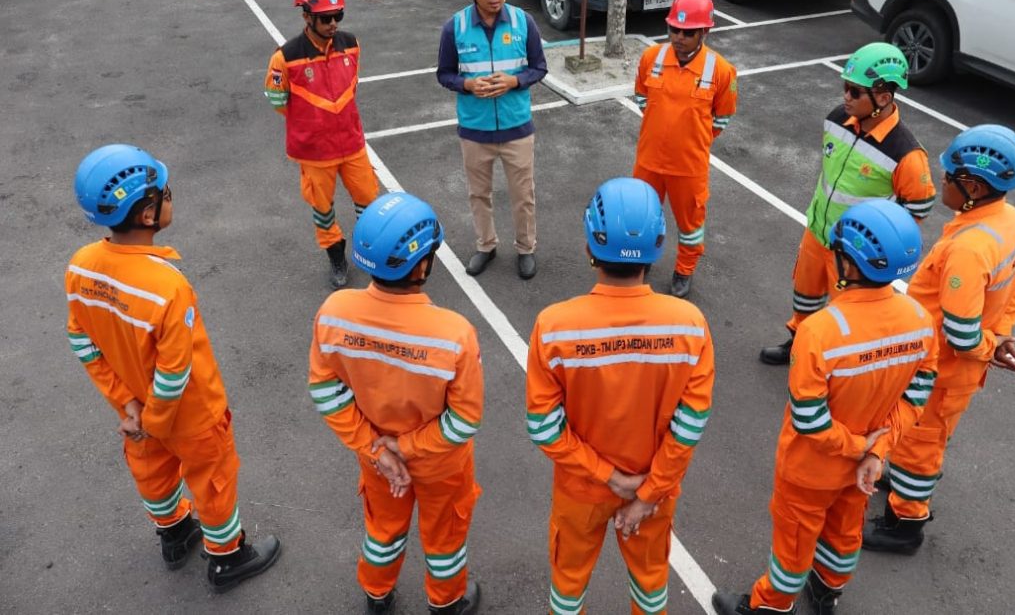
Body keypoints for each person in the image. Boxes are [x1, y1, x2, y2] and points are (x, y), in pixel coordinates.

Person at [66, 144, 280, 593]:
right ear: (147, 215)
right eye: (166, 192)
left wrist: (128, 407)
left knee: (153, 476)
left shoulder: (81, 267)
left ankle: (175, 534)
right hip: (190, 415)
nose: (171, 197)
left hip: (134, 413)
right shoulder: (168, 286)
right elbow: (175, 370)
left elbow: (81, 341)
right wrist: (156, 421)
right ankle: (227, 558)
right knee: (213, 481)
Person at [713, 200, 937, 615]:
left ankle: (770, 606)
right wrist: (876, 452)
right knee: (843, 534)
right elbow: (917, 395)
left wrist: (858, 446)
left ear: (849, 266)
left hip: (811, 470)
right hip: (862, 471)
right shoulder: (921, 320)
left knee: (794, 543)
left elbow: (810, 421)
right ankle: (826, 593)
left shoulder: (819, 331)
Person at [526, 177, 715, 614]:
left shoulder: (555, 327)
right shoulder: (689, 325)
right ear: (660, 245)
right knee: (651, 587)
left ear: (590, 242)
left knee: (568, 587)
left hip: (581, 489)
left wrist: (609, 477)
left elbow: (543, 427)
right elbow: (689, 427)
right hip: (656, 487)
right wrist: (647, 493)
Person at [308, 192, 484, 615]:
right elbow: (463, 421)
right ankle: (445, 604)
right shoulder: (453, 335)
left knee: (382, 530)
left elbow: (325, 391)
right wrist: (404, 449)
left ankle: (377, 595)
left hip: (376, 462)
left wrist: (378, 450)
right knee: (444, 539)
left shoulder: (334, 312)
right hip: (441, 465)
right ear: (422, 264)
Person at [863, 125, 1015, 555]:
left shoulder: (971, 248)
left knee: (923, 443)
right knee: (921, 435)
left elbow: (960, 332)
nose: (941, 181)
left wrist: (990, 345)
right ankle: (898, 475)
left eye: (950, 175)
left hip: (942, 368)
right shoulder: (1014, 222)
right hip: (956, 369)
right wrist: (1004, 331)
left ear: (973, 186)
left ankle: (905, 523)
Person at [759, 42, 936, 365]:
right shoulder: (836, 119)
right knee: (805, 296)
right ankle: (799, 342)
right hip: (817, 233)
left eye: (855, 92)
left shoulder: (907, 155)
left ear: (883, 97)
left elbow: (919, 209)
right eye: (845, 88)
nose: (845, 97)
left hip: (855, 252)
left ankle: (835, 366)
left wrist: (878, 247)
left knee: (849, 317)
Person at [436, 0, 548, 280]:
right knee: (478, 194)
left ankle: (526, 248)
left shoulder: (523, 22)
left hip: (517, 128)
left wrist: (514, 80)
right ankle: (486, 245)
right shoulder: (453, 28)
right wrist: (467, 85)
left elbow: (539, 68)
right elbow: (444, 74)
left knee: (523, 195)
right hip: (475, 130)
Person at [264, 0, 379, 289]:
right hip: (314, 152)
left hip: (351, 143)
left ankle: (369, 248)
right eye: (325, 18)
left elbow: (352, 86)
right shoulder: (284, 58)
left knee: (368, 199)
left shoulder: (351, 45)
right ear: (306, 16)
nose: (333, 24)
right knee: (323, 209)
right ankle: (336, 256)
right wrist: (311, 123)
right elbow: (277, 100)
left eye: (337, 16)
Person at [633, 0, 738, 299]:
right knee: (643, 216)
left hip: (688, 167)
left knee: (690, 224)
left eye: (687, 32)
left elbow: (723, 116)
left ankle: (684, 270)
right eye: (674, 29)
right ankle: (642, 260)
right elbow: (641, 97)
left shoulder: (721, 71)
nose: (678, 37)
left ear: (704, 32)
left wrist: (694, 138)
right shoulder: (651, 58)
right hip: (648, 161)